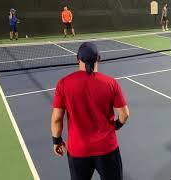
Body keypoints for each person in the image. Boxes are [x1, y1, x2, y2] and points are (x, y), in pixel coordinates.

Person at [51, 42, 129, 180]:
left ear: (77, 59)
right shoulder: (111, 83)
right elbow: (124, 114)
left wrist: (57, 140)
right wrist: (116, 125)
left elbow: (57, 118)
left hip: (78, 150)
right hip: (107, 149)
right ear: (99, 58)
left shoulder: (63, 84)